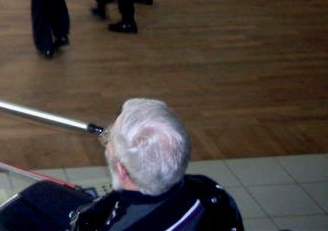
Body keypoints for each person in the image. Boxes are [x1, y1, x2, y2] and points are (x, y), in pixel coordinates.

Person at [74, 98, 243, 231]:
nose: (105, 137)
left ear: (122, 170)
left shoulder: (124, 225)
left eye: (108, 141)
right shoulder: (208, 189)